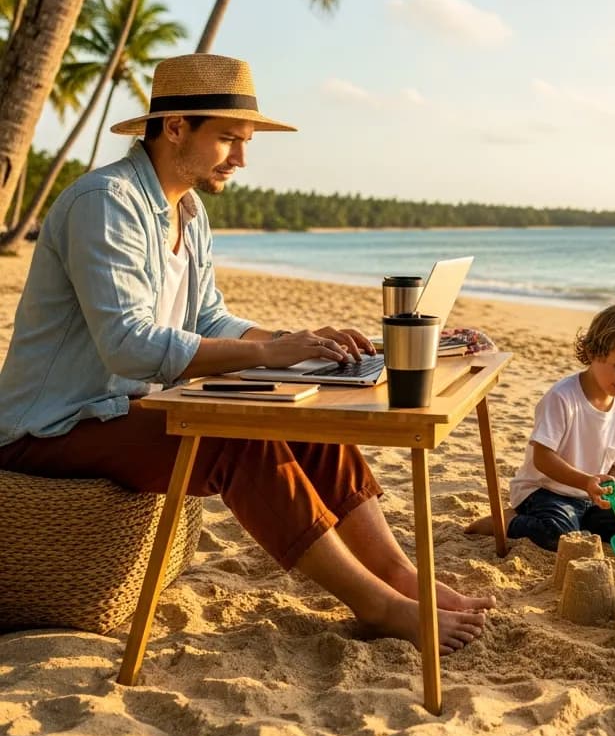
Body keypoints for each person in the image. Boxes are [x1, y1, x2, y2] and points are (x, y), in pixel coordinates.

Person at [0, 53, 492, 654]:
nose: (241, 159)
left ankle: (399, 576)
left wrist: (301, 345)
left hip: (127, 409)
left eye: (246, 142)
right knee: (237, 438)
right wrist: (274, 352)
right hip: (52, 425)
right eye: (229, 139)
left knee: (305, 415)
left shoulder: (188, 211)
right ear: (175, 127)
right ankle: (377, 605)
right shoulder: (106, 203)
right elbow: (128, 345)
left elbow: (209, 318)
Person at [504, 303, 615, 552]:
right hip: (545, 492)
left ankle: (583, 522)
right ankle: (505, 521)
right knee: (557, 534)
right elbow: (542, 458)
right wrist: (586, 482)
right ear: (593, 351)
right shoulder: (562, 397)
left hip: (592, 498)